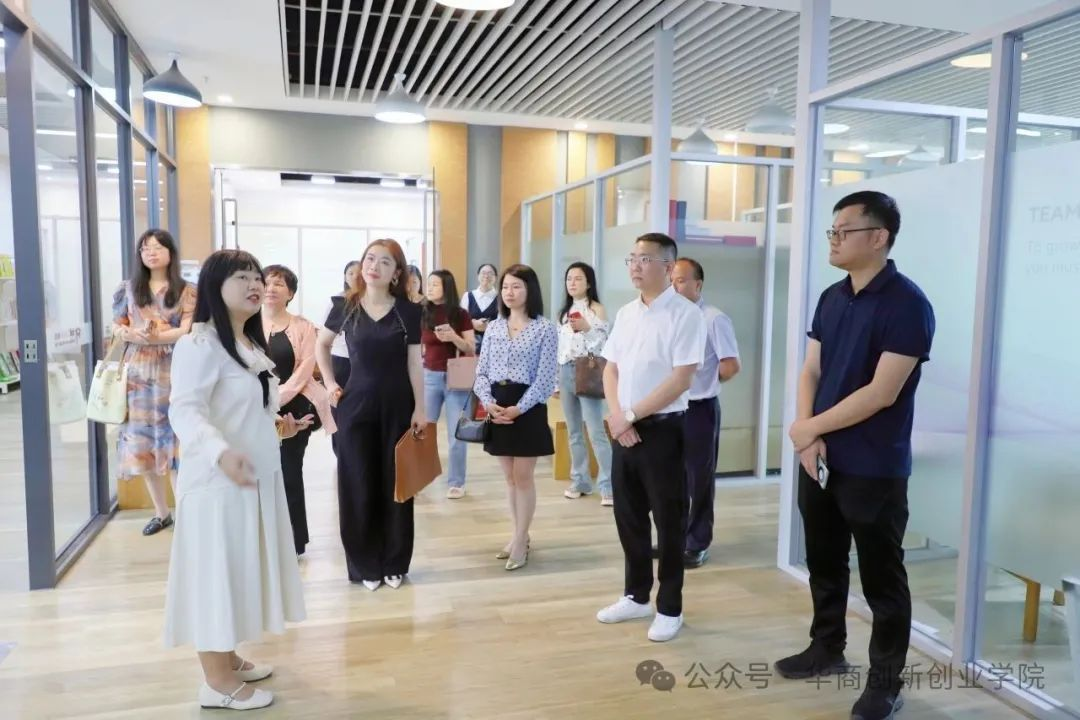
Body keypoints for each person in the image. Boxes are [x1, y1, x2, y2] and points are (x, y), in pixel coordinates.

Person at [776, 191, 934, 720]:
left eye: (844, 231)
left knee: (882, 579)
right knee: (824, 560)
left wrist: (808, 428)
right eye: (833, 231)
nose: (834, 239)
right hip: (820, 456)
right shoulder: (832, 296)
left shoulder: (907, 304)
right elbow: (811, 370)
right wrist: (808, 436)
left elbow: (882, 393)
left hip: (873, 464)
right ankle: (826, 646)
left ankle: (884, 684)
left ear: (879, 237)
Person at [164, 249, 310, 711]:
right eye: (242, 277)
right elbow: (185, 410)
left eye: (256, 276)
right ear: (214, 285)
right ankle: (216, 683)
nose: (255, 284)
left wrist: (279, 426)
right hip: (217, 483)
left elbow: (247, 408)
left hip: (252, 480)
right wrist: (220, 452)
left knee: (236, 571)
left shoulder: (248, 344)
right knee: (216, 575)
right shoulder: (199, 344)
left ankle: (226, 659)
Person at [594, 232, 706, 643]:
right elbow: (611, 368)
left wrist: (630, 416)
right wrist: (617, 417)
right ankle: (636, 595)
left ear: (667, 266)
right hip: (624, 427)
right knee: (628, 515)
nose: (635, 266)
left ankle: (670, 606)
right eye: (632, 259)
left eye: (644, 259)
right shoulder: (626, 313)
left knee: (669, 520)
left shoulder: (686, 314)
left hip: (663, 429)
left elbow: (681, 379)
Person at [315, 239, 425, 591]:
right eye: (370, 259)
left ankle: (395, 562)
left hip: (398, 405)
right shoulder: (344, 306)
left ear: (397, 273)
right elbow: (321, 344)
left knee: (397, 485)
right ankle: (364, 564)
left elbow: (414, 364)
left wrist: (421, 407)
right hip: (355, 405)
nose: (374, 266)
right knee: (357, 483)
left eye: (385, 262)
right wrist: (330, 383)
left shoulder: (408, 311)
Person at [110, 228, 196, 536]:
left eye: (158, 247)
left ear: (170, 252)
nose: (151, 252)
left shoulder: (187, 290)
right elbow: (117, 326)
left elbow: (187, 330)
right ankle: (162, 513)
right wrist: (131, 333)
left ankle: (185, 513)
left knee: (177, 443)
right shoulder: (128, 289)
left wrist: (153, 337)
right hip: (139, 376)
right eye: (145, 248)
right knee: (144, 443)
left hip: (175, 370)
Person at [473, 264, 558, 571]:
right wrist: (488, 403)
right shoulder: (494, 327)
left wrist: (519, 408)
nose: (509, 292)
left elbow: (545, 379)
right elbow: (481, 372)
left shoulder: (545, 328)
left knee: (523, 476)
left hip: (528, 407)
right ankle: (518, 533)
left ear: (529, 290)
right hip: (497, 404)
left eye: (516, 286)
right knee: (509, 477)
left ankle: (521, 540)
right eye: (506, 287)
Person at [261, 264, 337, 556]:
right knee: (261, 475)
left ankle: (294, 541)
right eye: (267, 282)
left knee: (289, 471)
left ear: (290, 293)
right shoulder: (246, 325)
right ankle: (265, 539)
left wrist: (277, 399)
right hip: (254, 407)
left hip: (293, 406)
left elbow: (306, 369)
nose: (271, 288)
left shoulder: (303, 327)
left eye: (279, 284)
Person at [670, 257, 741, 568]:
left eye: (681, 280)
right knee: (672, 478)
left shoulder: (713, 318)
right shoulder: (671, 318)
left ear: (698, 284)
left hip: (700, 408)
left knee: (699, 478)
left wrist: (703, 383)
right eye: (671, 281)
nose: (674, 286)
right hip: (670, 407)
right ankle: (676, 538)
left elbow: (731, 365)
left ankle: (697, 542)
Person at [556, 262, 614, 506]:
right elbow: (560, 348)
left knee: (596, 431)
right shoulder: (564, 312)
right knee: (574, 432)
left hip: (587, 370)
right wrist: (556, 382)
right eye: (569, 278)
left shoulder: (597, 309)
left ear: (589, 283)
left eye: (578, 278)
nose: (572, 283)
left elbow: (602, 345)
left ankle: (608, 485)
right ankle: (580, 481)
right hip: (565, 371)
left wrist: (587, 328)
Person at [421, 269, 475, 499]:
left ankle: (456, 482)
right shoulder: (422, 312)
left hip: (456, 378)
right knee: (423, 431)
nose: (430, 287)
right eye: (429, 283)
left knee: (456, 434)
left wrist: (453, 337)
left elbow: (471, 348)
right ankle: (420, 478)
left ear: (447, 286)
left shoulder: (460, 314)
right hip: (429, 377)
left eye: (435, 284)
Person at [325, 260, 361, 456]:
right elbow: (324, 335)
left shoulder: (370, 300)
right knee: (339, 406)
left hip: (362, 361)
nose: (355, 276)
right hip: (340, 359)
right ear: (345, 277)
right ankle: (340, 452)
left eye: (358, 272)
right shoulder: (338, 301)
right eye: (350, 273)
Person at [461, 263, 499, 351]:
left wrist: (489, 326)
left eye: (490, 273)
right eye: (483, 273)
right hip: (471, 344)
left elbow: (505, 322)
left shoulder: (501, 298)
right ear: (478, 276)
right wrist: (473, 323)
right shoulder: (468, 296)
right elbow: (461, 321)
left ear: (496, 277)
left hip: (495, 345)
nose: (486, 276)